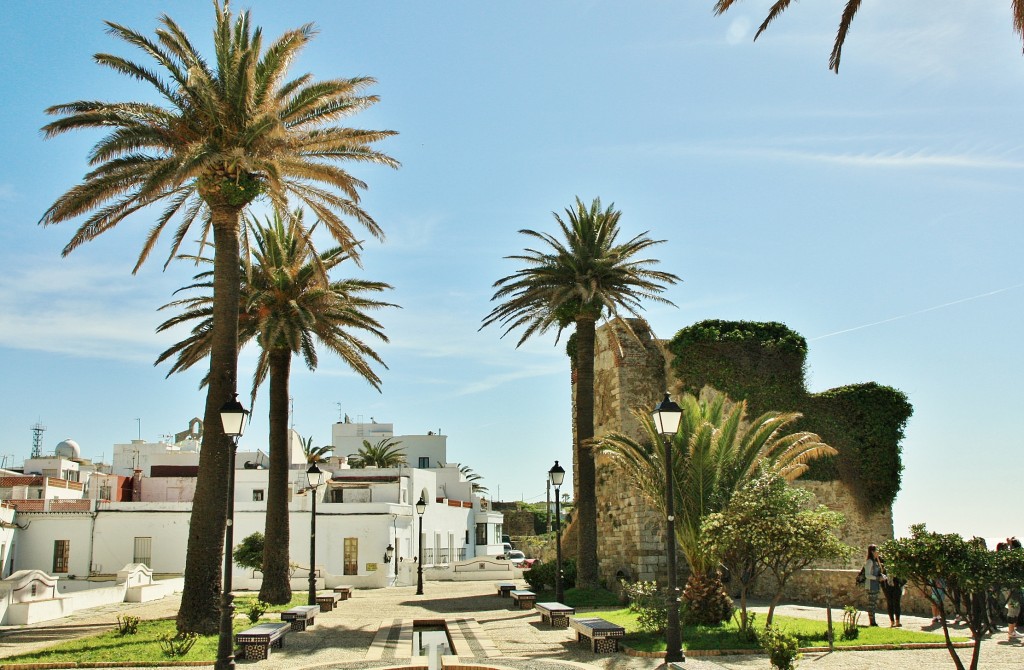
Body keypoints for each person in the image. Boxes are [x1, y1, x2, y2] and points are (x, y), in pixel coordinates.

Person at [878, 551, 903, 627]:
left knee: (895, 603)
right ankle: (893, 621)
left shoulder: (895, 564)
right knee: (891, 602)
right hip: (888, 585)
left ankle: (896, 621)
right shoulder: (881, 564)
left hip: (894, 585)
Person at [862, 544, 883, 626]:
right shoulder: (869, 562)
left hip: (875, 585)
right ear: (872, 551)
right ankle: (872, 621)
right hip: (870, 585)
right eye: (876, 550)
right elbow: (867, 575)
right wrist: (877, 578)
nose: (878, 552)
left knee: (874, 603)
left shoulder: (876, 562)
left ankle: (873, 620)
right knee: (871, 604)